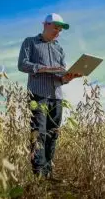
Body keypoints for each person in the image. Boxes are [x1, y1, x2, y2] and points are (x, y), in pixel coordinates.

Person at [17, 13, 81, 180]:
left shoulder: (59, 49)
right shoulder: (30, 42)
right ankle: (38, 175)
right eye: (55, 27)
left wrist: (67, 78)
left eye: (60, 29)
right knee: (39, 133)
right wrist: (46, 68)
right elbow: (22, 65)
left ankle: (48, 173)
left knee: (53, 133)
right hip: (38, 95)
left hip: (57, 96)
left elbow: (60, 78)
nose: (58, 31)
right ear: (45, 24)